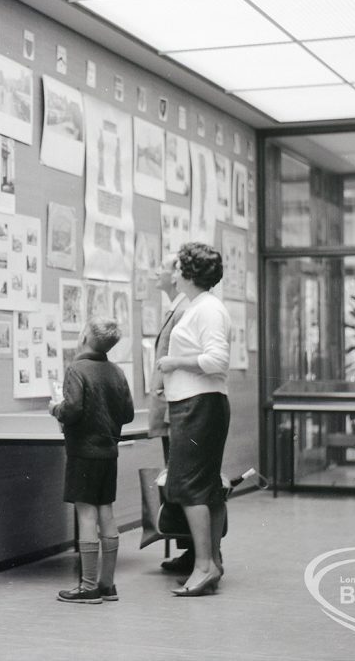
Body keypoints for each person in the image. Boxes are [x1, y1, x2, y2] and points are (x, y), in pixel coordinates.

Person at [157, 242, 232, 597]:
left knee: (189, 488)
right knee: (206, 488)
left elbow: (217, 360)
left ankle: (203, 565)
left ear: (188, 273)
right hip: (196, 404)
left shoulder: (208, 310)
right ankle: (210, 561)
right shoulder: (199, 307)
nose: (172, 274)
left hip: (198, 405)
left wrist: (174, 363)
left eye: (176, 268)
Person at [49, 317, 135, 604]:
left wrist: (56, 409)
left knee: (86, 513)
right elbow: (128, 415)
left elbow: (72, 409)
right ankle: (107, 585)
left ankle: (88, 587)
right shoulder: (117, 372)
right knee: (106, 512)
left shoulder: (76, 369)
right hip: (108, 453)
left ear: (84, 336)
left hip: (83, 453)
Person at [146, 253, 194, 573]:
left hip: (177, 407)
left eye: (162, 268)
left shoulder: (184, 310)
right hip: (170, 406)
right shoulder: (175, 308)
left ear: (176, 275)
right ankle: (189, 550)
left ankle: (194, 551)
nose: (157, 273)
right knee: (177, 478)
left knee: (183, 478)